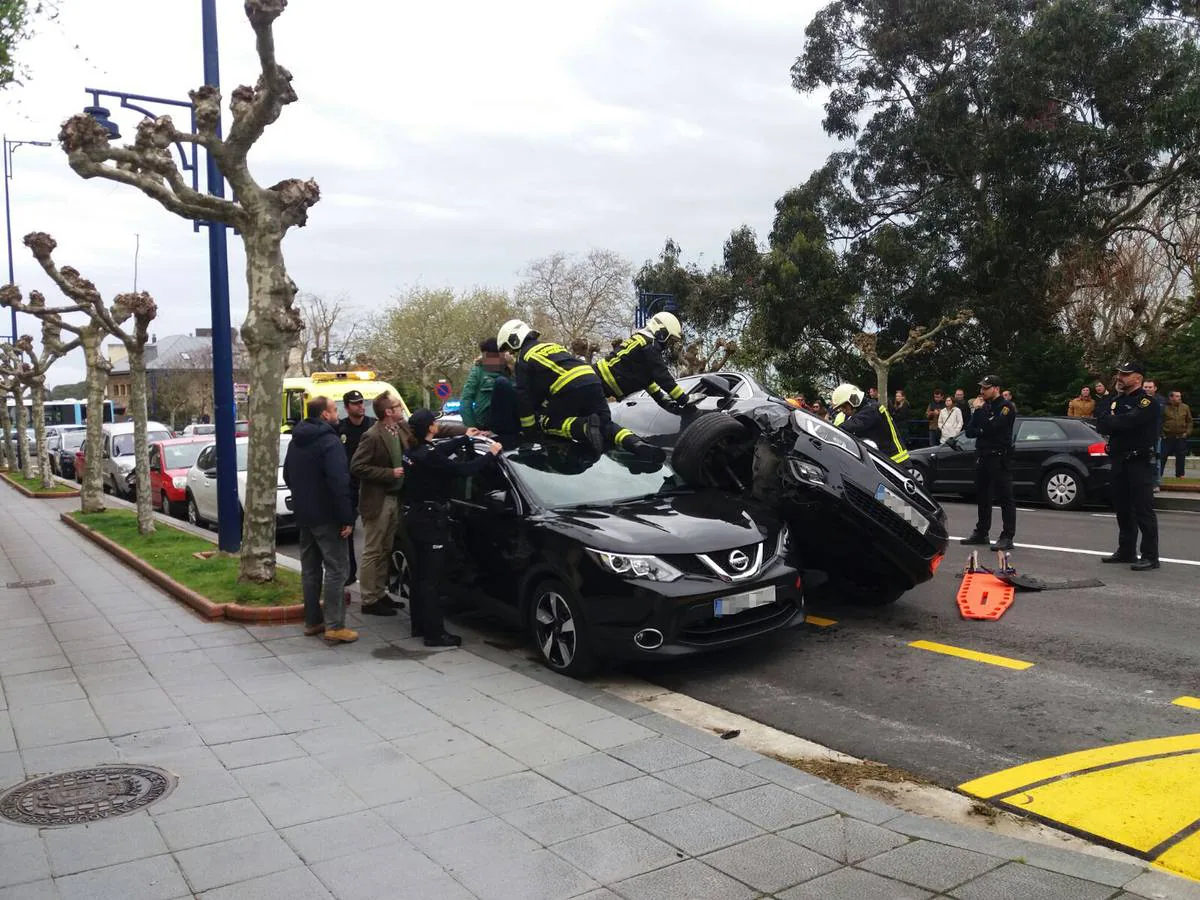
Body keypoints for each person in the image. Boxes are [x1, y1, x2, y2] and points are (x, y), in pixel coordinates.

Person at [497, 319, 663, 462]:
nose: (510, 353)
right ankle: (636, 444)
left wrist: (529, 431)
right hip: (592, 380)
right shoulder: (551, 346)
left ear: (514, 339)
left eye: (509, 348)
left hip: (568, 387)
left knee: (546, 422)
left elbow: (523, 395)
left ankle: (584, 428)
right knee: (606, 425)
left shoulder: (523, 358)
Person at [402, 409, 503, 647]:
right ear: (430, 428)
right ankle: (434, 634)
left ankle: (419, 625)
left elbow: (437, 452)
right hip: (430, 521)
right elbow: (462, 470)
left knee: (419, 577)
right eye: (434, 422)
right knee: (431, 581)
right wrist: (490, 454)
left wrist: (465, 438)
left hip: (415, 517)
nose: (437, 425)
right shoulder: (427, 455)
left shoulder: (412, 451)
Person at [282, 395, 357, 644]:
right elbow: (339, 481)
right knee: (337, 569)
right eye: (334, 410)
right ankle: (335, 625)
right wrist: (347, 517)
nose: (337, 414)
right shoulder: (330, 441)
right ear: (325, 414)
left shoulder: (296, 441)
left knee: (311, 569)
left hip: (304, 515)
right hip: (328, 515)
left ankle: (313, 621)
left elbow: (288, 475)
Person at [349, 391, 409, 617]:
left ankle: (380, 593)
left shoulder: (400, 428)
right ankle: (368, 598)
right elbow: (357, 466)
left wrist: (467, 431)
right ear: (388, 412)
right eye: (397, 405)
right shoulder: (372, 435)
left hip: (395, 497)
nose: (401, 408)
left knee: (386, 548)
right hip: (378, 500)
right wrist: (388, 473)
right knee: (373, 550)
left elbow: (436, 429)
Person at [1095, 361, 1159, 571]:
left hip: (1138, 461)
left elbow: (1129, 422)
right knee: (1122, 508)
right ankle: (1126, 550)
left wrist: (1116, 421)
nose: (1120, 377)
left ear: (1138, 377)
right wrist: (1115, 421)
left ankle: (1150, 555)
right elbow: (1102, 423)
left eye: (1125, 374)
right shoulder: (1117, 400)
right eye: (1120, 373)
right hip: (1119, 460)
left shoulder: (1147, 402)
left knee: (1143, 509)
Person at [959, 375, 1017, 551]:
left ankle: (1007, 536)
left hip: (999, 457)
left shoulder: (1006, 407)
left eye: (986, 388)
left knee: (1005, 496)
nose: (982, 391)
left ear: (996, 388)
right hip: (983, 456)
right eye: (981, 388)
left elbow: (992, 429)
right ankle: (981, 532)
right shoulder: (983, 407)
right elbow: (969, 432)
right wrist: (980, 420)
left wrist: (980, 419)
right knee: (983, 496)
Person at [596, 312, 691, 414]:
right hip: (598, 384)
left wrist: (661, 398)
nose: (668, 345)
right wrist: (684, 399)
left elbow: (645, 378)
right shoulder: (650, 346)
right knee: (600, 423)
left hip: (597, 382)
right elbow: (662, 376)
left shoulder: (641, 341)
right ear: (661, 332)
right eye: (670, 340)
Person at [337, 389, 374, 587]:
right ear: (346, 407)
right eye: (355, 403)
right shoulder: (340, 429)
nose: (360, 406)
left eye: (361, 402)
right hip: (350, 486)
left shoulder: (372, 426)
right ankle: (349, 572)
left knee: (374, 532)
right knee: (347, 530)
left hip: (370, 484)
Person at [830, 383, 910, 465]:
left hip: (896, 460)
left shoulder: (872, 408)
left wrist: (830, 430)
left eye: (844, 407)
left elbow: (855, 424)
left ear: (853, 400)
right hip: (884, 459)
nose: (843, 410)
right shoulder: (862, 410)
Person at [460, 338, 509, 432]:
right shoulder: (478, 370)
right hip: (483, 427)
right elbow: (466, 399)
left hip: (506, 426)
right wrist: (472, 428)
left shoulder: (510, 370)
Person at [1161, 390, 1193, 480]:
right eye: (1177, 396)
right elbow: (1160, 421)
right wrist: (1162, 434)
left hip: (1180, 436)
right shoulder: (1164, 408)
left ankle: (1180, 475)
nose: (1180, 398)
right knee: (1162, 456)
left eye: (1179, 396)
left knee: (1181, 456)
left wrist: (1187, 433)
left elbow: (1189, 421)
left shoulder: (1185, 407)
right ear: (1171, 397)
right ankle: (1159, 475)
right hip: (1167, 436)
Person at [1143, 379, 1167, 489]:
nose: (1147, 389)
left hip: (1156, 435)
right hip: (1141, 436)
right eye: (1145, 387)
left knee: (1156, 461)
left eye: (1149, 387)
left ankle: (1156, 483)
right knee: (1143, 460)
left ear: (1155, 388)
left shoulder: (1161, 401)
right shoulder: (1138, 399)